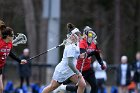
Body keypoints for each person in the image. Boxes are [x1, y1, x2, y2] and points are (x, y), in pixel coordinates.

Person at [53, 26, 106, 93]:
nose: (91, 35)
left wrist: (101, 63)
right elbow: (82, 55)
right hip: (79, 69)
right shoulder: (82, 42)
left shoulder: (93, 43)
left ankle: (61, 85)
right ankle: (61, 87)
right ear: (85, 34)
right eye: (89, 34)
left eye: (91, 34)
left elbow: (97, 54)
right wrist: (92, 52)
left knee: (95, 86)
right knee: (81, 88)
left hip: (88, 69)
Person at [42, 23, 86, 93]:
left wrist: (80, 56)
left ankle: (62, 87)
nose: (79, 36)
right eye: (77, 34)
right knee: (52, 87)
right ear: (72, 36)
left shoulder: (76, 44)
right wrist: (78, 73)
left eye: (79, 34)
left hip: (71, 71)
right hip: (63, 70)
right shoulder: (71, 47)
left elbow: (74, 56)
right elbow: (70, 63)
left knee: (82, 84)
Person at [0, 27, 27, 92]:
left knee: (1, 89)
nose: (13, 36)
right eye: (12, 35)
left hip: (0, 68)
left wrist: (20, 60)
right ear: (7, 36)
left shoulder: (10, 44)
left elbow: (10, 53)